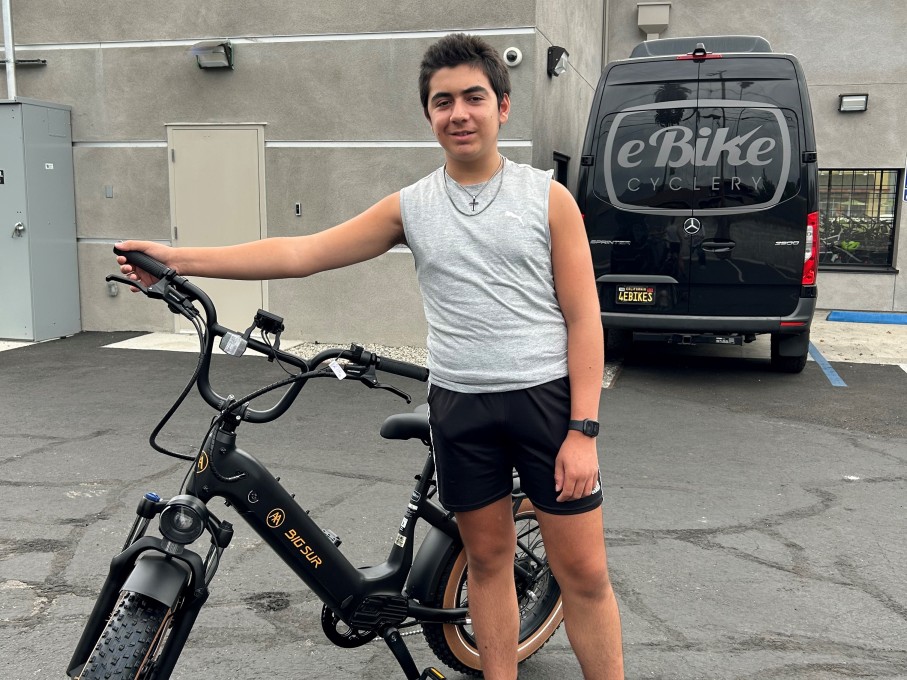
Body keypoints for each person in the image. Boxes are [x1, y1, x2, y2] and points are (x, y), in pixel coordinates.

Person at [118, 33, 624, 680]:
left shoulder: (546, 199)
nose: (458, 113)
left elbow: (584, 320)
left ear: (501, 107)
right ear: (429, 116)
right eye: (443, 102)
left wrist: (583, 430)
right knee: (489, 566)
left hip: (545, 405)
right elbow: (302, 252)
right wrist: (178, 259)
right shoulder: (412, 207)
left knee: (582, 573)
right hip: (460, 410)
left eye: (473, 97)